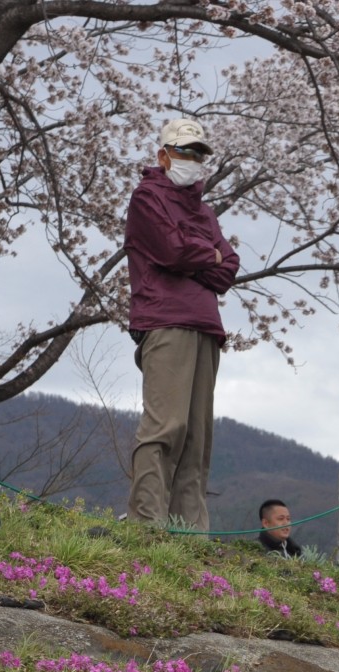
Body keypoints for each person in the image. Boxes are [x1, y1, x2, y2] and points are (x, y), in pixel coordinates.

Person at [125, 117, 239, 532]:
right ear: (163, 154)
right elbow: (172, 252)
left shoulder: (203, 210)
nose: (192, 160)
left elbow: (228, 269)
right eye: (185, 151)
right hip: (165, 319)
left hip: (206, 324)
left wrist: (206, 257)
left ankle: (190, 533)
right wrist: (205, 255)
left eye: (198, 154)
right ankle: (147, 524)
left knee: (196, 437)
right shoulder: (147, 199)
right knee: (166, 426)